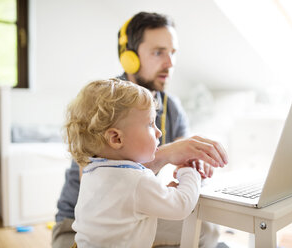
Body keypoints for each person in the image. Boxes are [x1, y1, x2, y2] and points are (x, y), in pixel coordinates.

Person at [52, 12, 228, 248]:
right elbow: (104, 178)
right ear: (130, 58)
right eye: (158, 52)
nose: (170, 63)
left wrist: (194, 160)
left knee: (205, 228)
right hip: (79, 229)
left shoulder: (171, 107)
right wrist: (168, 153)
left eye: (172, 53)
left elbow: (183, 161)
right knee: (201, 232)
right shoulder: (103, 105)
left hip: (135, 218)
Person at [65, 78, 201, 248]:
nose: (159, 132)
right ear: (116, 138)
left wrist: (164, 192)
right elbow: (181, 205)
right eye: (150, 124)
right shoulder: (136, 180)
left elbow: (127, 204)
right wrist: (188, 172)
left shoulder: (92, 171)